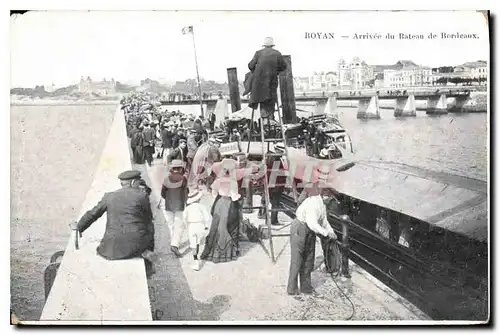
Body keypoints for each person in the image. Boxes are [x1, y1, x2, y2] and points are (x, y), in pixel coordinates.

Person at [70, 170, 155, 262]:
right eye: (138, 182)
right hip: (136, 246)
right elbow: (148, 220)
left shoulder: (109, 196)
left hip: (111, 248)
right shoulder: (142, 196)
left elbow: (93, 214)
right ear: (133, 182)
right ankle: (147, 255)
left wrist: (79, 226)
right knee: (149, 225)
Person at [287, 182, 337, 296]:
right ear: (325, 195)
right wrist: (325, 233)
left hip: (309, 230)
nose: (331, 201)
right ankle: (292, 289)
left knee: (309, 259)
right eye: (330, 198)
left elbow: (324, 221)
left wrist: (331, 232)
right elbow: (312, 223)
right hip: (300, 228)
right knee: (297, 259)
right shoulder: (314, 202)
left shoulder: (322, 205)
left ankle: (306, 288)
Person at [200, 159, 244, 263]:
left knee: (216, 226)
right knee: (226, 227)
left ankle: (211, 251)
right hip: (228, 204)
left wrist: (218, 197)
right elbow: (234, 197)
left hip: (219, 203)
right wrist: (239, 197)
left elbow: (214, 192)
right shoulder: (233, 182)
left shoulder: (218, 180)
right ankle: (225, 253)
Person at [248, 37, 288, 119]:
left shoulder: (258, 53)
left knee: (262, 97)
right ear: (272, 45)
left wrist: (256, 72)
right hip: (271, 81)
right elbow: (284, 66)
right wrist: (276, 71)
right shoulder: (277, 53)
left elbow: (250, 65)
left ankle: (264, 117)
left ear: (264, 45)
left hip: (258, 83)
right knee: (270, 98)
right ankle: (270, 117)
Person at [161, 159, 188, 257]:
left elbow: (163, 193)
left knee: (171, 224)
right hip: (179, 204)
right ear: (181, 168)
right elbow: (185, 192)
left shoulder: (166, 179)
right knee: (179, 224)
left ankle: (173, 241)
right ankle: (175, 244)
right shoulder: (183, 179)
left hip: (168, 204)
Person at [258, 143, 288, 225]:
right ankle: (274, 220)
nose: (282, 153)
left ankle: (261, 213)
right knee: (275, 203)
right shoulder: (276, 160)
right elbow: (274, 175)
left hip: (271, 185)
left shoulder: (271, 158)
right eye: (281, 151)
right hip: (275, 186)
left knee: (266, 200)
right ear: (277, 150)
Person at [183, 188, 212, 271]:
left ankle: (195, 261)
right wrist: (206, 226)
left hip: (191, 226)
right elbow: (207, 217)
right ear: (198, 199)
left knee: (193, 244)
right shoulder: (202, 206)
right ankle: (198, 258)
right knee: (198, 242)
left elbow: (184, 218)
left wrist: (186, 225)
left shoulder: (188, 208)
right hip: (200, 225)